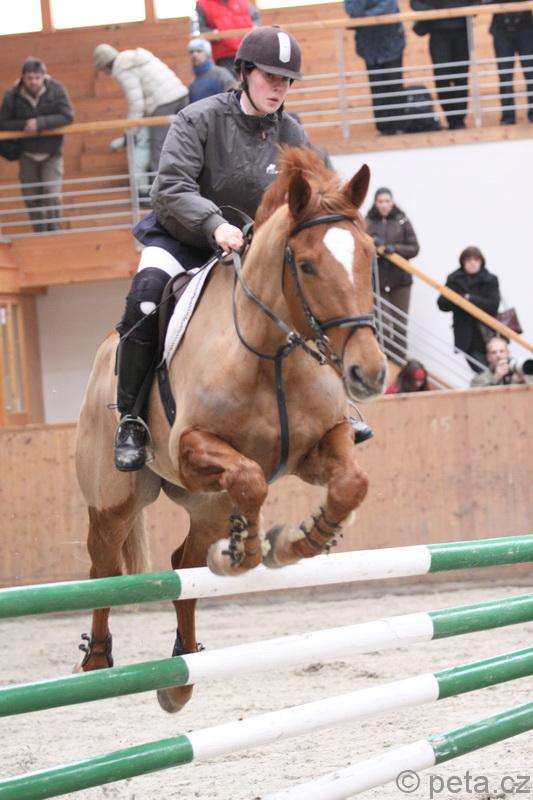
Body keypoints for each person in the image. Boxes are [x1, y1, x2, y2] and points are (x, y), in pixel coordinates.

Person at [113, 26, 310, 472]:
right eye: (270, 77)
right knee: (145, 300)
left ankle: (331, 407)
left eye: (286, 80)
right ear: (243, 73)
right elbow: (170, 188)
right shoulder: (197, 118)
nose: (279, 87)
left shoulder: (293, 133)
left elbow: (307, 197)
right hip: (183, 240)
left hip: (250, 252)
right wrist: (214, 224)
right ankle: (130, 419)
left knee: (311, 294)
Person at [0, 57, 74, 233]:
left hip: (52, 153)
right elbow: (3, 122)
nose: (33, 81)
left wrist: (40, 123)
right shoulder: (12, 95)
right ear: (23, 77)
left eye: (37, 77)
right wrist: (25, 124)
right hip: (26, 153)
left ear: (44, 77)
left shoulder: (57, 90)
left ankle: (55, 233)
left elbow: (68, 116)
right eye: (29, 78)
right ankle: (40, 233)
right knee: (31, 196)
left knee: (51, 194)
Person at [93, 44, 189, 174]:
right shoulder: (135, 57)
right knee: (184, 141)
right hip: (181, 95)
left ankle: (161, 183)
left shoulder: (122, 68)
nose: (105, 74)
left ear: (105, 65)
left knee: (159, 148)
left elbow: (136, 103)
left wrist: (130, 131)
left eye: (103, 70)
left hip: (162, 103)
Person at [365, 187, 419, 363]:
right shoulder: (367, 222)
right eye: (380, 201)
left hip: (401, 281)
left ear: (392, 202)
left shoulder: (402, 220)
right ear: (375, 203)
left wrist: (395, 249)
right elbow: (361, 245)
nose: (384, 205)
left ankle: (399, 363)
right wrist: (375, 245)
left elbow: (414, 248)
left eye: (387, 201)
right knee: (382, 325)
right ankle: (385, 361)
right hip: (378, 282)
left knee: (399, 326)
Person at [410, 0, 478, 130]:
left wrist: (460, 9)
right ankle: (451, 118)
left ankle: (459, 120)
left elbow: (476, 3)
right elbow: (415, 4)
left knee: (461, 78)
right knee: (442, 78)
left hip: (461, 31)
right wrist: (436, 11)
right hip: (438, 32)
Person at [344, 0, 406, 136]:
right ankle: (383, 128)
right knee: (377, 88)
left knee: (394, 85)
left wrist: (364, 16)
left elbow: (388, 8)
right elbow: (353, 11)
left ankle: (399, 126)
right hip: (369, 46)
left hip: (391, 41)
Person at [437, 246, 500, 373]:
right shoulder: (454, 279)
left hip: (487, 333)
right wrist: (457, 299)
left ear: (481, 261)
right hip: (466, 336)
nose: (472, 263)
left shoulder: (490, 279)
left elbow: (493, 305)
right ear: (463, 262)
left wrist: (470, 298)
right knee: (484, 372)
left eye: (476, 260)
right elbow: (442, 304)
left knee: (494, 371)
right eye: (469, 260)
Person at [482, 0, 533, 125]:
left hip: (526, 28)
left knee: (531, 73)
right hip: (501, 29)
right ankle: (508, 116)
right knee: (505, 76)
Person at [192, 1, 261, 74]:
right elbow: (199, 29)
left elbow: (256, 20)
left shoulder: (245, 2)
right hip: (224, 57)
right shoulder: (203, 4)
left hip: (249, 53)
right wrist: (215, 34)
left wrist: (254, 30)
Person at [187, 37, 237, 103]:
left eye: (199, 51)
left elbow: (233, 98)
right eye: (191, 52)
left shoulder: (220, 74)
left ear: (208, 54)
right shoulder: (192, 86)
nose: (194, 55)